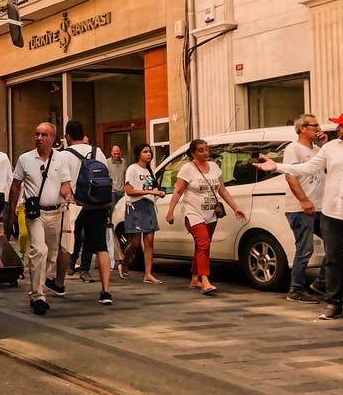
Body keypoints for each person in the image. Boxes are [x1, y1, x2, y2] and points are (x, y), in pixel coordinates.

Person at [256, 110, 343, 321]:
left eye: (341, 125)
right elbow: (308, 168)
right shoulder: (331, 148)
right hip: (332, 213)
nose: (336, 129)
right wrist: (277, 166)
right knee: (332, 261)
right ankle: (333, 304)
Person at [3, 122, 75, 316]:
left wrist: (68, 196)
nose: (39, 138)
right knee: (38, 250)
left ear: (53, 138)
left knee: (51, 255)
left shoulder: (61, 159)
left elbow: (65, 184)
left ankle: (39, 285)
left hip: (56, 213)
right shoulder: (25, 159)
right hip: (35, 214)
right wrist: (11, 212)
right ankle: (38, 296)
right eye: (37, 134)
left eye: (44, 135)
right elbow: (16, 185)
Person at [166, 139, 247, 295]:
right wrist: (170, 211)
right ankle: (205, 281)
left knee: (203, 246)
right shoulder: (187, 169)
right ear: (193, 153)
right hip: (193, 213)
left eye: (207, 149)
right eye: (201, 150)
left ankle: (195, 278)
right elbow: (178, 191)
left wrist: (235, 207)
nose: (205, 153)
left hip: (211, 213)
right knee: (203, 244)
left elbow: (222, 190)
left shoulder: (215, 167)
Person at [58, 120, 113, 305]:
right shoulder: (99, 152)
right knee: (101, 248)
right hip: (97, 206)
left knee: (67, 245)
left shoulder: (63, 155)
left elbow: (61, 183)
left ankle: (59, 283)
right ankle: (105, 291)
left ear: (67, 137)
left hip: (74, 205)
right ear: (83, 134)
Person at [283, 114, 327, 304]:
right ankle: (296, 289)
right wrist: (304, 200)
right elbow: (290, 175)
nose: (318, 127)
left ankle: (321, 282)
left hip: (320, 206)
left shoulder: (318, 150)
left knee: (334, 244)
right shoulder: (294, 148)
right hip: (301, 208)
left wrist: (325, 145)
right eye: (314, 125)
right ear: (302, 128)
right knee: (305, 248)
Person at [122, 143, 165, 285]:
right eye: (145, 151)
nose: (149, 154)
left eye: (150, 152)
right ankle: (124, 262)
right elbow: (129, 190)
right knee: (134, 243)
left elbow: (151, 187)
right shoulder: (132, 169)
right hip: (135, 207)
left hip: (149, 206)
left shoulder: (149, 171)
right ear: (138, 154)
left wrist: (158, 192)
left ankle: (148, 274)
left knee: (149, 241)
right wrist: (150, 192)